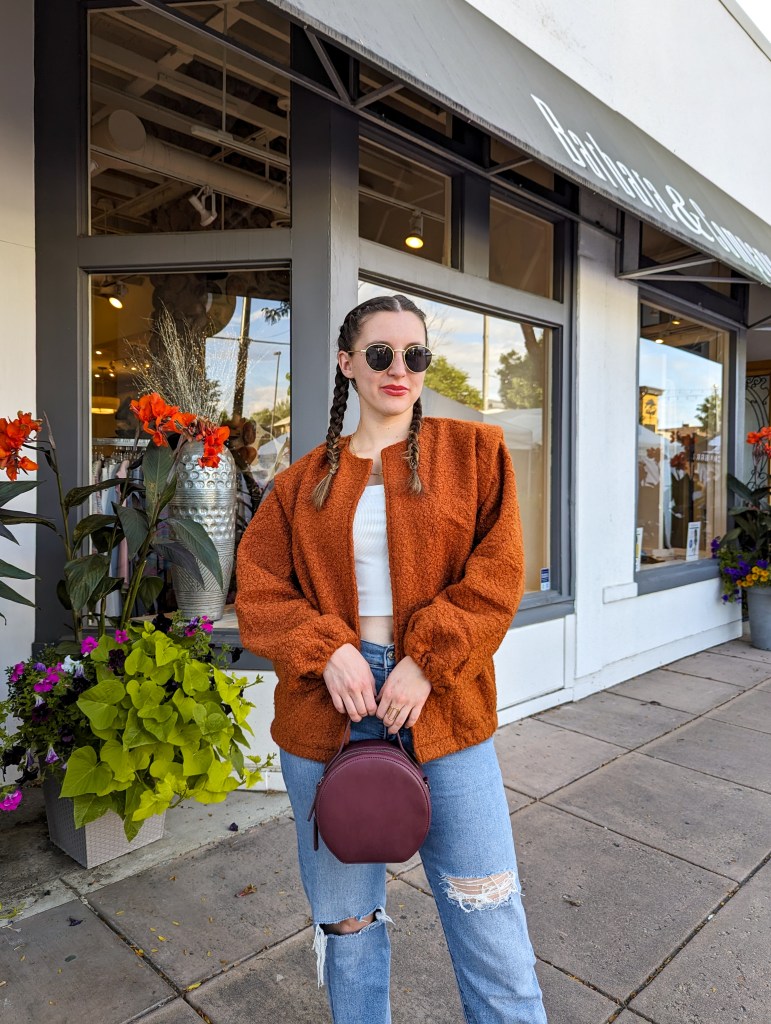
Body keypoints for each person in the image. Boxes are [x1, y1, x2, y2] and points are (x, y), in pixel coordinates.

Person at [235, 294, 547, 1024]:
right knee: (347, 926)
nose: (398, 369)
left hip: (444, 700)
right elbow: (259, 594)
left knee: (487, 912)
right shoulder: (297, 482)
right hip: (327, 709)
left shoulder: (475, 455)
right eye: (380, 354)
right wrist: (329, 649)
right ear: (348, 364)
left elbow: (496, 578)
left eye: (414, 355)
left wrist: (425, 661)